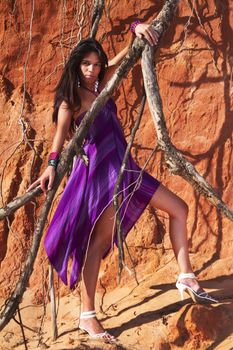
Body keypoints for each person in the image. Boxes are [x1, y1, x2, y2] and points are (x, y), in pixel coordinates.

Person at [27, 21, 217, 341]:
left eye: (96, 64)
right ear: (76, 64)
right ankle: (87, 315)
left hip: (127, 171)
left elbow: (121, 58)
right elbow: (58, 140)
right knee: (98, 244)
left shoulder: (99, 85)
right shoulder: (70, 99)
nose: (92, 69)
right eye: (86, 63)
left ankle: (185, 276)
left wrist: (136, 28)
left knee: (179, 209)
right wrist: (50, 167)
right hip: (102, 177)